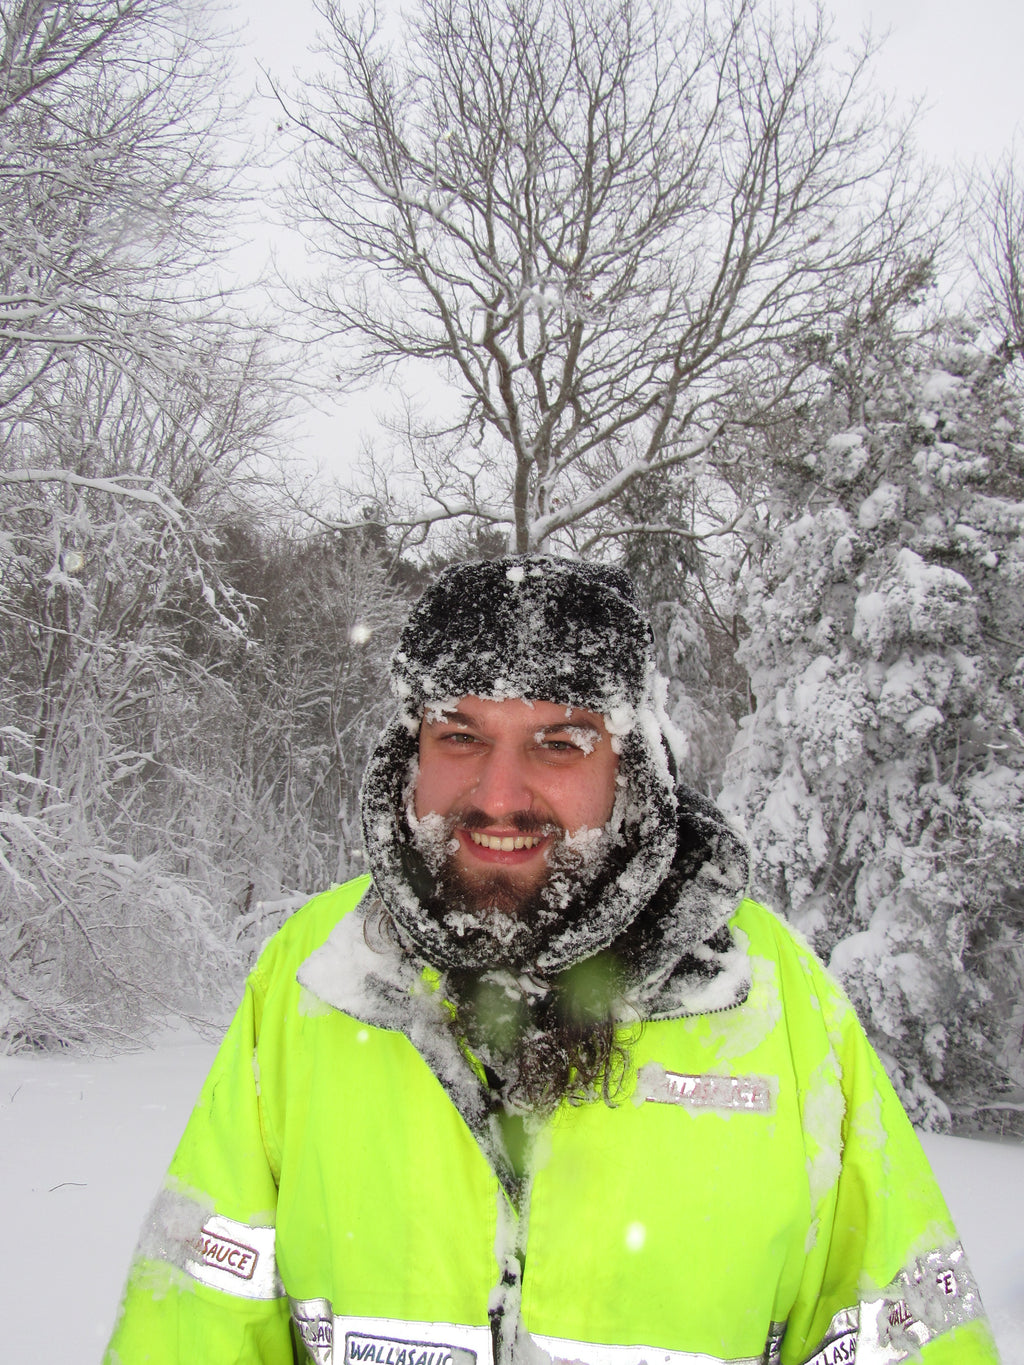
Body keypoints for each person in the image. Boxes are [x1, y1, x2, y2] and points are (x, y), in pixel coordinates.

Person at [104, 555, 1000, 1365]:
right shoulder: (319, 977)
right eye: (460, 735)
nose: (498, 796)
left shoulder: (769, 1004)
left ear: (632, 762)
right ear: (411, 749)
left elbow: (905, 1331)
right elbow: (191, 1314)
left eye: (559, 742)